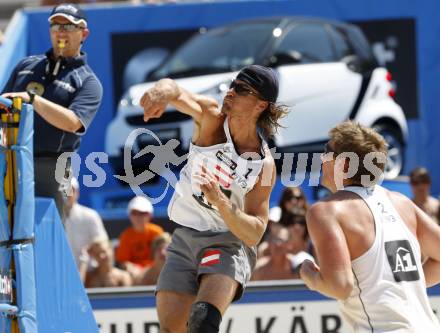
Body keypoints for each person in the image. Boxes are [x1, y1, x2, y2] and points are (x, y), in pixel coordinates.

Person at [140, 65, 287, 332]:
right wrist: (161, 91)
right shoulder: (212, 118)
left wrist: (222, 203)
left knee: (202, 321)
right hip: (185, 237)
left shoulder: (264, 165)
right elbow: (177, 91)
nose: (230, 91)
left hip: (227, 243)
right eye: (232, 84)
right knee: (171, 329)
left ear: (261, 105)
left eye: (242, 89)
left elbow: (254, 233)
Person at [300, 121, 440, 332]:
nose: (321, 158)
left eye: (327, 151)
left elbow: (340, 286)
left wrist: (308, 274)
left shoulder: (327, 210)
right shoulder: (401, 202)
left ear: (345, 165)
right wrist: (401, 286)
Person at [1, 3, 103, 220]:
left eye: (68, 26)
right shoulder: (26, 66)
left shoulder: (88, 82)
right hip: (9, 158)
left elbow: (73, 122)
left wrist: (32, 100)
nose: (61, 32)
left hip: (53, 167)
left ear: (83, 34)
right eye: (56, 25)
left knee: (47, 231)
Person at [64, 177, 109, 281]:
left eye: (71, 190)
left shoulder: (90, 215)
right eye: (64, 190)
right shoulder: (52, 218)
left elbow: (103, 243)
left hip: (91, 272)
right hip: (63, 275)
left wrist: (91, 248)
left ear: (77, 193)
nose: (68, 194)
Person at [115, 195, 164, 277]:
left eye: (142, 213)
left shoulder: (157, 232)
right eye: (134, 213)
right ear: (129, 215)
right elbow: (123, 261)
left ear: (150, 215)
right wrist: (130, 267)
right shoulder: (126, 235)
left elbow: (163, 256)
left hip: (155, 271)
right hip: (135, 274)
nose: (138, 217)